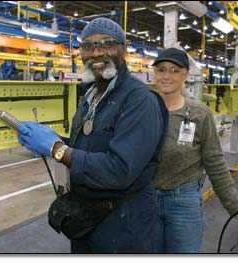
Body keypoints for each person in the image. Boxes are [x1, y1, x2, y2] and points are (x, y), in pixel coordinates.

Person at [17, 18, 168, 253]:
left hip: (122, 226)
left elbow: (119, 170)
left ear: (123, 50)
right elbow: (89, 148)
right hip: (85, 219)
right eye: (87, 46)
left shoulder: (140, 101)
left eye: (106, 44)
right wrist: (51, 140)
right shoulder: (92, 95)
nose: (96, 53)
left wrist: (57, 148)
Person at [151, 47, 238, 253]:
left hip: (184, 204)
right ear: (154, 73)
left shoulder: (199, 114)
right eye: (161, 69)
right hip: (146, 202)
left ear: (186, 75)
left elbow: (215, 164)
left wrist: (236, 209)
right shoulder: (143, 109)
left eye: (174, 70)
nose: (166, 76)